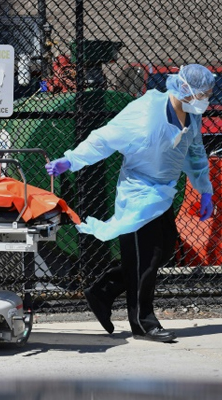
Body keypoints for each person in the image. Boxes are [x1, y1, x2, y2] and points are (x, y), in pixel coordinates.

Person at [45, 64, 215, 343]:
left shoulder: (191, 116)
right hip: (138, 194)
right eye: (203, 94)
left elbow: (195, 152)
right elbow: (105, 138)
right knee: (146, 258)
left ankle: (103, 290)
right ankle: (143, 323)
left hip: (162, 193)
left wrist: (205, 189)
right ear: (185, 89)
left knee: (164, 250)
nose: (206, 99)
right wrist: (71, 160)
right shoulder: (146, 113)